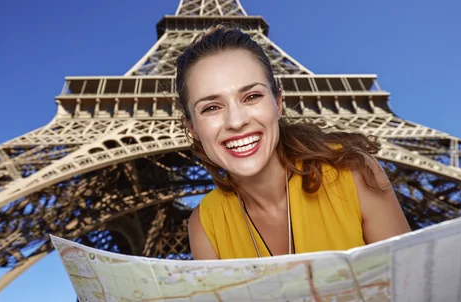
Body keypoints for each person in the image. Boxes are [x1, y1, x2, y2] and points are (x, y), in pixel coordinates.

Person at [175, 25, 411, 260]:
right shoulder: (206, 225)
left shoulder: (352, 173)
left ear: (278, 103)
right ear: (193, 128)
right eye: (211, 108)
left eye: (252, 96)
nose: (236, 122)